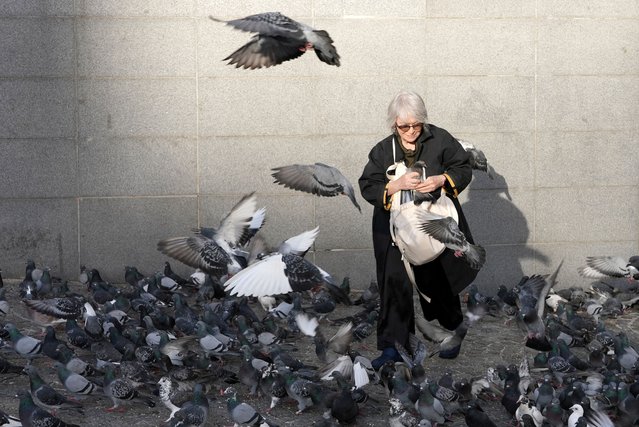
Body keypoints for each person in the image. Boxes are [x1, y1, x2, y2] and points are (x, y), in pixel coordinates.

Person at [358, 90, 479, 368]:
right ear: (394, 125)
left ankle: (452, 330)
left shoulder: (441, 139)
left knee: (438, 275)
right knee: (393, 282)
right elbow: (368, 184)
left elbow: (462, 168)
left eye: (416, 124)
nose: (411, 131)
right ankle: (393, 347)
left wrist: (441, 180)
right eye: (404, 126)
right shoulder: (382, 150)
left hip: (433, 220)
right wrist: (395, 186)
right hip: (393, 227)